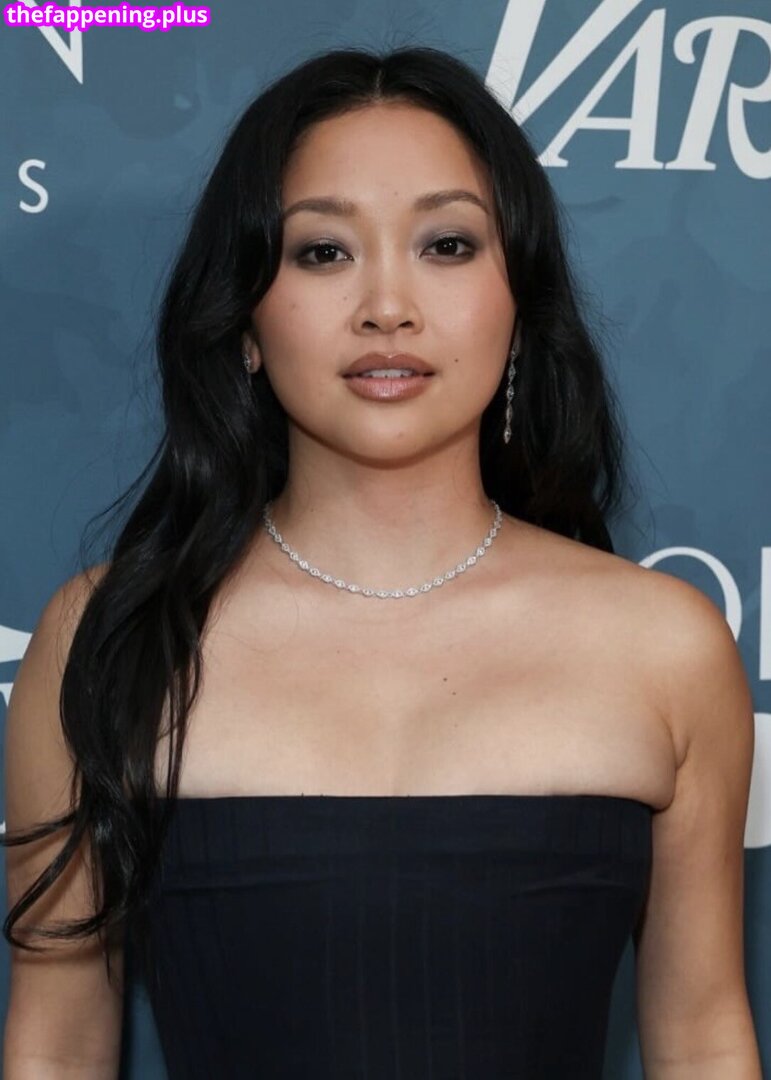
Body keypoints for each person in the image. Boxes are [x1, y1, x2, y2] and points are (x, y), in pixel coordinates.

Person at [2, 44, 761, 1080]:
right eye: (323, 252)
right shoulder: (108, 638)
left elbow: (703, 1035)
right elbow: (55, 1040)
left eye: (447, 244)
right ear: (245, 321)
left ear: (520, 303)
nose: (387, 306)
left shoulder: (663, 646)